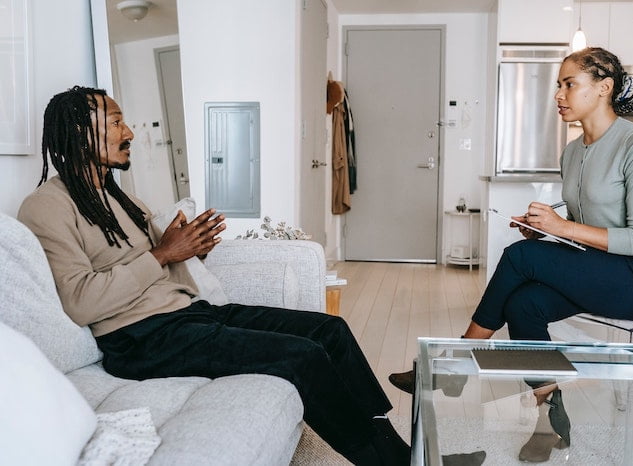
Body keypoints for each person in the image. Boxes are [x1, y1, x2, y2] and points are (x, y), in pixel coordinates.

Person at [18, 86, 409, 466]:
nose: (130, 133)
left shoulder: (121, 198)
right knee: (302, 357)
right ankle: (382, 460)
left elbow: (163, 266)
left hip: (188, 315)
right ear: (81, 133)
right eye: (117, 122)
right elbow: (79, 302)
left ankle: (392, 443)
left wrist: (192, 249)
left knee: (331, 331)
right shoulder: (47, 207)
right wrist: (164, 252)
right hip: (140, 340)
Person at [389, 47, 633, 461]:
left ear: (603, 88)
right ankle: (550, 424)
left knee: (522, 258)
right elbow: (583, 233)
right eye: (558, 85)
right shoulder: (573, 151)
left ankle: (452, 361)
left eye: (569, 84)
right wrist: (543, 229)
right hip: (604, 270)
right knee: (524, 305)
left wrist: (560, 228)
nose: (558, 94)